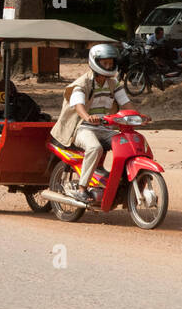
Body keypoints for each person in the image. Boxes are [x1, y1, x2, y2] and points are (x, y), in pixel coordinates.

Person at [49, 43, 131, 205]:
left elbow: (126, 104)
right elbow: (78, 106)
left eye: (110, 63)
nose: (108, 66)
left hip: (104, 128)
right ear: (95, 62)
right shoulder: (82, 83)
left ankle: (123, 184)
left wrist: (137, 116)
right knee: (95, 148)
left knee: (127, 144)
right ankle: (82, 189)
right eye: (104, 63)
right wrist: (87, 117)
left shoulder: (114, 84)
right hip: (81, 128)